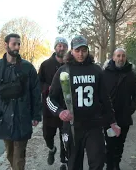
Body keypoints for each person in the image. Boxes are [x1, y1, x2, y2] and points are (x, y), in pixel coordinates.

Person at [46, 35, 121, 170]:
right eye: (77, 50)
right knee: (74, 164)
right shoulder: (64, 71)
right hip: (73, 126)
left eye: (84, 50)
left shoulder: (96, 70)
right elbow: (51, 98)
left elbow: (105, 98)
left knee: (98, 162)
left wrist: (112, 121)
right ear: (72, 51)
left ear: (88, 50)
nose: (81, 54)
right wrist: (59, 112)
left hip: (94, 125)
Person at [0, 33, 42, 170]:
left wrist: (36, 115)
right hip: (4, 119)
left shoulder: (28, 68)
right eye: (14, 44)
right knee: (10, 153)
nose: (17, 47)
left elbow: (35, 93)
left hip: (23, 117)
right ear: (6, 45)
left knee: (19, 155)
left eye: (19, 44)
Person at [102, 48, 136, 170]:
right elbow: (100, 94)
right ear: (113, 57)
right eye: (118, 56)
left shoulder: (131, 74)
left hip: (124, 116)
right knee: (109, 143)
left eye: (123, 56)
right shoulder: (105, 73)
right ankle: (109, 165)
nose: (121, 58)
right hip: (109, 116)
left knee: (120, 143)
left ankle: (116, 164)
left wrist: (130, 109)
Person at [38, 37, 69, 170]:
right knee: (47, 135)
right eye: (59, 46)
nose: (61, 48)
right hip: (49, 107)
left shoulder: (70, 65)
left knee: (65, 137)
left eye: (63, 46)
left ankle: (63, 161)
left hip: (65, 107)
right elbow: (38, 83)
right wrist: (47, 88)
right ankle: (52, 149)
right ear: (55, 47)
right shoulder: (46, 64)